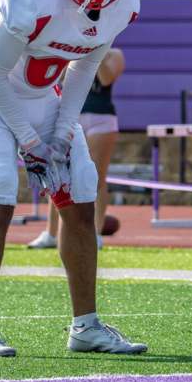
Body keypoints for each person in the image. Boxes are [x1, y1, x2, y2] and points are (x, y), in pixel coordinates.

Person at [0, 0, 146, 357]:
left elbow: (84, 70)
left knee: (81, 192)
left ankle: (86, 326)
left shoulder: (126, 3)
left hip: (43, 95)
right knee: (0, 192)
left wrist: (61, 134)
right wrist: (30, 142)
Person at [28, 48, 126, 250]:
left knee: (97, 176)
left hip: (101, 118)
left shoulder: (114, 54)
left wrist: (96, 53)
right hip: (70, 117)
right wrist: (76, 53)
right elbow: (58, 78)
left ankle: (96, 233)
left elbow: (106, 79)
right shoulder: (71, 47)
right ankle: (51, 233)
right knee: (58, 173)